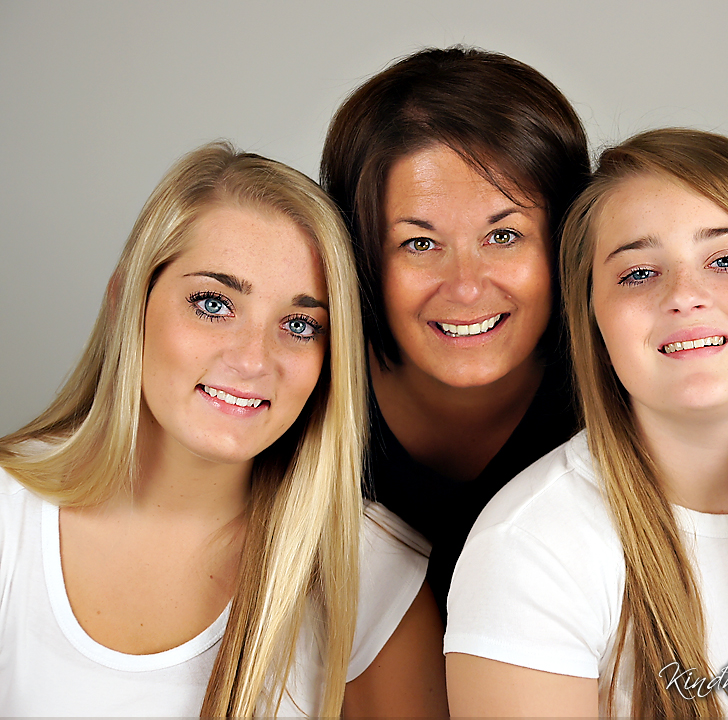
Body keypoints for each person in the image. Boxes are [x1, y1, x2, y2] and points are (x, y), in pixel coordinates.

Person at [445, 128, 728, 717]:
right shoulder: (529, 549)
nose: (685, 296)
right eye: (638, 273)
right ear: (592, 318)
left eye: (727, 261)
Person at [0, 142, 446, 716]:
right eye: (214, 304)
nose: (254, 360)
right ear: (126, 302)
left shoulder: (370, 572)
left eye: (300, 325)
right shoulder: (9, 514)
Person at [320, 46, 591, 619]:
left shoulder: (623, 388)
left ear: (565, 238)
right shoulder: (299, 389)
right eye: (420, 243)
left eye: (504, 236)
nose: (466, 287)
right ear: (361, 254)